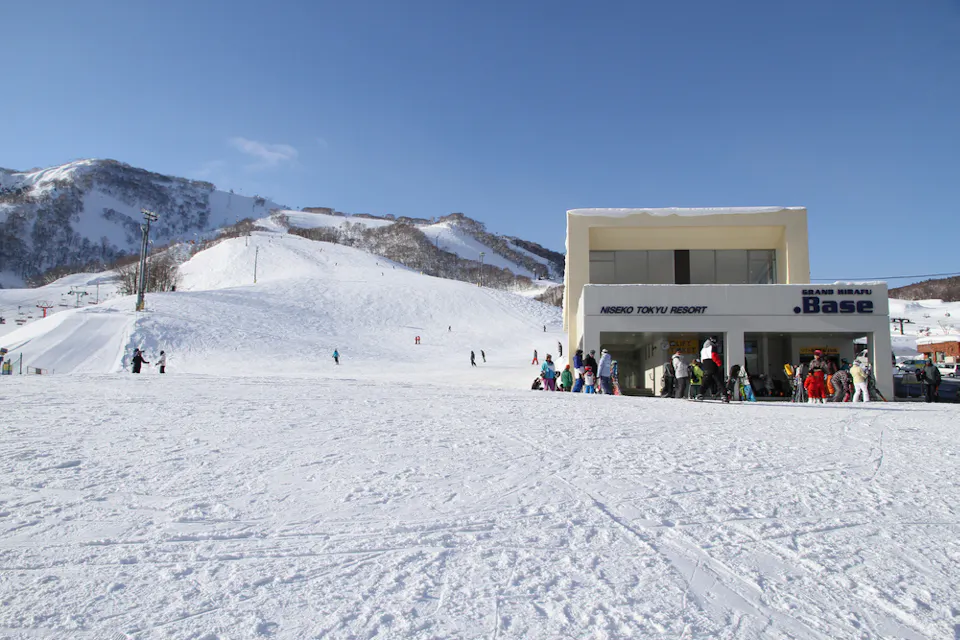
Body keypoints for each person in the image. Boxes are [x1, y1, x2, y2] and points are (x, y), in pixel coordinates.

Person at [696, 337, 725, 401]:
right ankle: (724, 394)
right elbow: (714, 356)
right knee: (719, 380)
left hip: (706, 365)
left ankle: (700, 393)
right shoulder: (712, 347)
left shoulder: (703, 349)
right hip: (712, 364)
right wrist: (719, 364)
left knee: (706, 380)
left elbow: (702, 359)